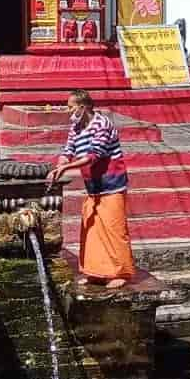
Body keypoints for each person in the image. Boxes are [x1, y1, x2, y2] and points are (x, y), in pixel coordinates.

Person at [48, 89, 135, 288]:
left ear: (82, 107)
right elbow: (68, 150)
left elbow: (93, 156)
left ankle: (119, 272)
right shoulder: (76, 126)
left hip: (112, 184)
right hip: (93, 186)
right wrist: (59, 165)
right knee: (91, 230)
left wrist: (66, 168)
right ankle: (95, 272)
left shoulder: (102, 125)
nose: (68, 111)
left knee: (114, 229)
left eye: (71, 107)